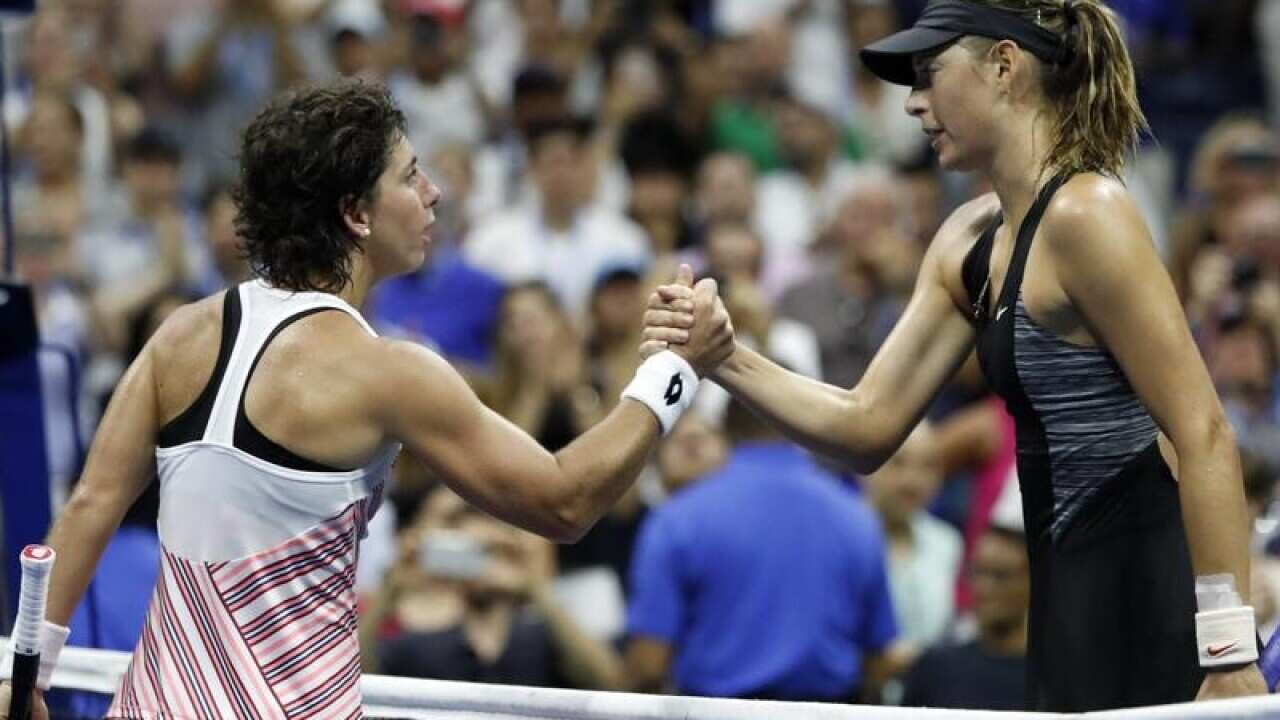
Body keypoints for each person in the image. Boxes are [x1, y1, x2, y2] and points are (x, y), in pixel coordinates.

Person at [0, 80, 732, 719]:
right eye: (411, 177)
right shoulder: (390, 373)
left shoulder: (180, 334)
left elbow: (93, 502)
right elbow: (565, 503)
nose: (433, 193)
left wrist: (23, 666)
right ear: (356, 213)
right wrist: (673, 371)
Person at [645, 0, 1267, 710]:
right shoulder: (968, 239)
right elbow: (865, 426)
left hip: (1156, 593)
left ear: (1004, 66)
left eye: (928, 75)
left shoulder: (1088, 213)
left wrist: (1227, 650)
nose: (913, 104)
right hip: (1065, 604)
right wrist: (723, 357)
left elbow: (1205, 434)